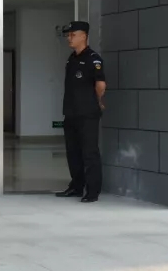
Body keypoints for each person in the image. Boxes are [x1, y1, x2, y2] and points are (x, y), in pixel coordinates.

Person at [55, 21, 106, 203]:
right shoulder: (72, 58)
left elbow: (100, 85)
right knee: (73, 152)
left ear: (84, 36)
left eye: (73, 35)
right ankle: (76, 186)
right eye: (68, 35)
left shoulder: (93, 59)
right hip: (71, 112)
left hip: (87, 113)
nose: (69, 38)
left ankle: (92, 191)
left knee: (89, 152)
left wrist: (96, 101)